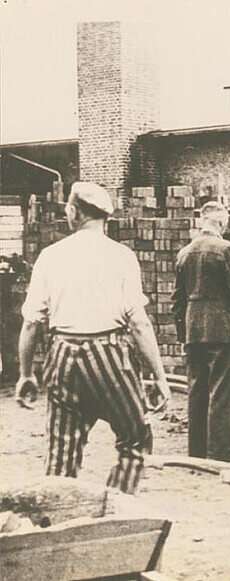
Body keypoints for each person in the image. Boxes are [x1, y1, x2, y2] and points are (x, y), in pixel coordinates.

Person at [16, 181, 170, 494]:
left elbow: (31, 323)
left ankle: (57, 524)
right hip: (108, 353)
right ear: (105, 218)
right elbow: (139, 324)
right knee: (136, 437)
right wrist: (160, 377)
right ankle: (113, 508)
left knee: (61, 456)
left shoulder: (50, 256)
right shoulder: (121, 256)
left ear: (72, 212)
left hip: (62, 355)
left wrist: (26, 374)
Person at [172, 201, 230, 461]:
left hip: (194, 330)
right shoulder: (227, 248)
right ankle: (220, 453)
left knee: (197, 390)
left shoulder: (184, 252)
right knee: (224, 393)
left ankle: (197, 452)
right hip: (223, 329)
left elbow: (177, 299)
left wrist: (183, 332)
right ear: (221, 223)